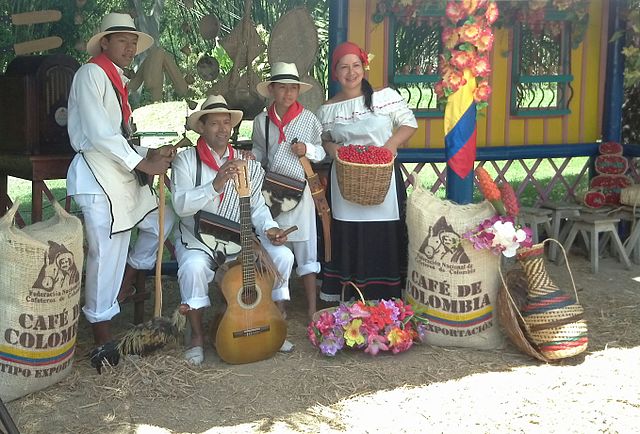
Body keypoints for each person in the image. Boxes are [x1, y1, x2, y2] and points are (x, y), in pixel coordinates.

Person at [66, 12, 176, 372]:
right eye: (122, 40)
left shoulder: (114, 78)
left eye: (133, 42)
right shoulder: (91, 74)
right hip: (98, 175)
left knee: (161, 221)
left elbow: (120, 136)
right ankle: (102, 337)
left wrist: (150, 154)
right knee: (106, 252)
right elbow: (99, 134)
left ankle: (122, 287)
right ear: (104, 43)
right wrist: (145, 164)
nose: (130, 48)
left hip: (119, 173)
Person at [170, 95, 295, 365]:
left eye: (226, 123)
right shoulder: (186, 161)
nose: (222, 129)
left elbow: (259, 207)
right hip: (199, 241)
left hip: (239, 240)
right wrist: (214, 185)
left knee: (283, 255)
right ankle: (197, 336)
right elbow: (180, 206)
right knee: (193, 267)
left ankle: (274, 322)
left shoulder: (245, 161)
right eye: (214, 123)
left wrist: (271, 229)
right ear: (201, 127)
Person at [317, 41, 417, 302]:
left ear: (364, 67)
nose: (351, 73)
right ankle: (350, 294)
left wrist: (389, 146)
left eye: (356, 66)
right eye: (344, 68)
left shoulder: (384, 97)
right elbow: (323, 137)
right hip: (347, 177)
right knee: (349, 232)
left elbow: (408, 124)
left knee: (381, 232)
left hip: (381, 175)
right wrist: (332, 149)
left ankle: (384, 295)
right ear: (336, 73)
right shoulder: (328, 108)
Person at [252, 62, 326, 320]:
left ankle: (311, 308)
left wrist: (308, 150)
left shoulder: (309, 119)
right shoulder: (262, 121)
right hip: (272, 191)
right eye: (282, 88)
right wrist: (252, 157)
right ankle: (278, 305)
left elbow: (321, 151)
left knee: (306, 248)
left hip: (301, 190)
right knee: (275, 245)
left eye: (293, 88)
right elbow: (261, 151)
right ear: (272, 89)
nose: (288, 93)